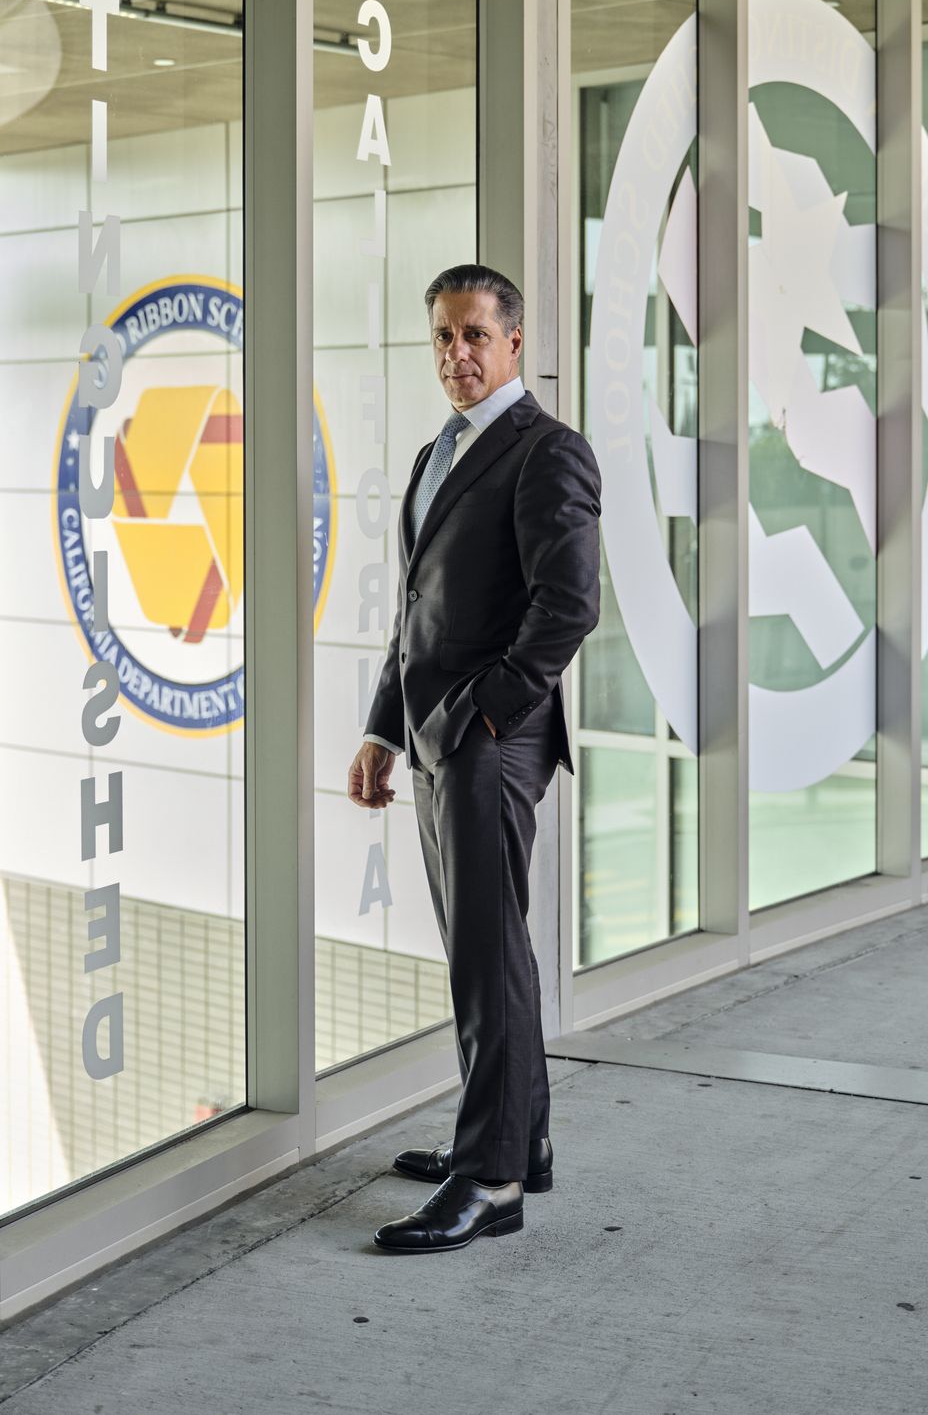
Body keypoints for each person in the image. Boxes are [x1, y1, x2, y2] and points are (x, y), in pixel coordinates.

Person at [347, 261, 602, 1253]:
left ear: (515, 343)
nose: (457, 355)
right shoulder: (435, 454)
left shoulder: (548, 452)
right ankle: (515, 1140)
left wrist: (482, 718)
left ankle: (489, 1181)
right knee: (486, 951)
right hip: (438, 733)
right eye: (445, 338)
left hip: (491, 739)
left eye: (475, 337)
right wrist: (383, 725)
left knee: (487, 958)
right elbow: (419, 615)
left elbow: (568, 604)